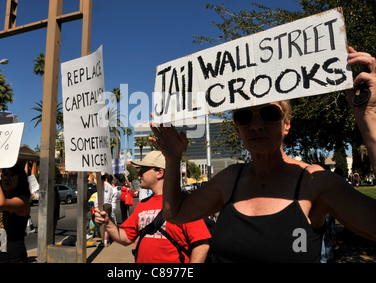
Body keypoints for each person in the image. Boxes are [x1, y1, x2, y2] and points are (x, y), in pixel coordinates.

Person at [151, 47, 376, 263]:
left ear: (286, 124)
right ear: (237, 128)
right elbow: (175, 213)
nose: (256, 125)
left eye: (269, 113)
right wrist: (172, 160)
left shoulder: (315, 182)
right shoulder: (229, 179)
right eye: (244, 116)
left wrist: (369, 117)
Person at [94, 151, 211, 263]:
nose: (139, 174)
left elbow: (202, 245)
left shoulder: (183, 205)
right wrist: (108, 223)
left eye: (143, 170)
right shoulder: (142, 204)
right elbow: (126, 238)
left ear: (160, 173)